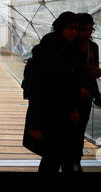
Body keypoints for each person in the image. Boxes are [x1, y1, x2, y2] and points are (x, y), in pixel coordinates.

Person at [27, 11, 83, 172]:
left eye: (76, 28)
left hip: (69, 114)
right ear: (61, 27)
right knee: (52, 158)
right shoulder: (46, 49)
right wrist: (34, 123)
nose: (74, 32)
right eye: (70, 28)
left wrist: (75, 107)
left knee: (64, 157)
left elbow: (73, 82)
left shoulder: (74, 49)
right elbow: (36, 87)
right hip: (50, 114)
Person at [73, 13, 101, 172]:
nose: (88, 34)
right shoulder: (69, 46)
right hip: (70, 96)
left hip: (86, 95)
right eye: (84, 30)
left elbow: (95, 69)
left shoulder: (93, 47)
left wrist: (98, 72)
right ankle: (69, 160)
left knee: (80, 130)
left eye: (90, 30)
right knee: (69, 130)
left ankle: (75, 160)